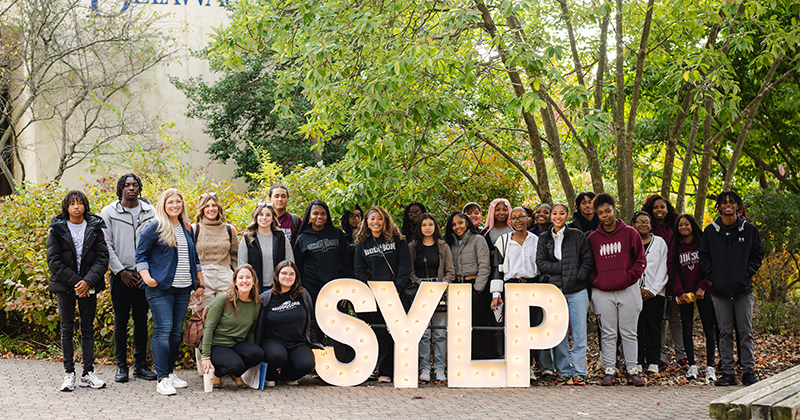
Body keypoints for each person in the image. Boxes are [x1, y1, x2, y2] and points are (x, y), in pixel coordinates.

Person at [136, 188, 205, 396]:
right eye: (170, 202)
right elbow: (141, 255)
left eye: (178, 201)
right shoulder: (155, 226)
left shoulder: (186, 227)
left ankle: (170, 372)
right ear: (163, 205)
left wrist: (199, 282)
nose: (175, 205)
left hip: (183, 287)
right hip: (161, 288)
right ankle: (162, 378)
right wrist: (148, 279)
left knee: (176, 332)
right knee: (163, 329)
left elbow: (194, 257)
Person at [699, 191, 763, 387]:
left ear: (738, 206)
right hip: (719, 292)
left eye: (732, 202)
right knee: (724, 332)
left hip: (743, 290)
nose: (728, 205)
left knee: (745, 331)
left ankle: (748, 372)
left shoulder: (749, 230)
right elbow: (704, 256)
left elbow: (758, 255)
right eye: (724, 202)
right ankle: (727, 373)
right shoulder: (711, 231)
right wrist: (714, 277)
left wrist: (746, 274)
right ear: (718, 206)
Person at [48, 190, 109, 392]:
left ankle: (88, 374)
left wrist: (88, 282)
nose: (76, 207)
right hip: (66, 286)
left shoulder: (95, 227)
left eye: (80, 203)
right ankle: (69, 374)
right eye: (72, 203)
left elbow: (102, 258)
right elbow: (54, 261)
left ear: (85, 206)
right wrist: (77, 282)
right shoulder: (57, 229)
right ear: (66, 207)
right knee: (67, 328)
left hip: (89, 286)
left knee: (87, 329)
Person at [100, 173, 157, 383]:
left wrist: (145, 273)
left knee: (141, 321)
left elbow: (156, 244)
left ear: (139, 188)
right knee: (121, 321)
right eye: (126, 185)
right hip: (120, 276)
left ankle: (141, 365)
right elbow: (106, 245)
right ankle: (121, 366)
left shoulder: (151, 212)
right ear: (120, 189)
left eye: (134, 185)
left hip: (144, 276)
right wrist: (120, 272)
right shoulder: (109, 212)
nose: (131, 188)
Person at [587, 193, 647, 387]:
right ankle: (610, 370)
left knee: (629, 332)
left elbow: (640, 261)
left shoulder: (630, 233)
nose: (605, 215)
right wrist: (597, 281)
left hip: (628, 290)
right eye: (600, 213)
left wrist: (628, 278)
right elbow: (588, 265)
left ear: (614, 209)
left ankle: (632, 370)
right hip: (602, 292)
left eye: (608, 211)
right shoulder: (593, 238)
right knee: (608, 333)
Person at [536, 203, 594, 386]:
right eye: (555, 213)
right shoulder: (544, 238)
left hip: (577, 290)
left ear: (567, 215)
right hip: (555, 290)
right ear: (551, 216)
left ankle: (579, 372)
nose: (558, 216)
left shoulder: (577, 235)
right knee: (558, 333)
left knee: (579, 333)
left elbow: (587, 260)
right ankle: (563, 370)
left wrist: (577, 275)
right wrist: (567, 268)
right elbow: (541, 263)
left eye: (562, 213)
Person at [354, 205, 412, 383]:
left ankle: (400, 369)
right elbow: (359, 271)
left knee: (397, 332)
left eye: (379, 218)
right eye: (372, 219)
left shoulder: (398, 240)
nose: (376, 222)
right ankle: (383, 370)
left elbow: (405, 266)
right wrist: (371, 291)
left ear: (385, 220)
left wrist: (397, 288)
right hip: (374, 296)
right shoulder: (362, 244)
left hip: (396, 293)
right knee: (379, 332)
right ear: (367, 222)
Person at [490, 207, 540, 376]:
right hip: (510, 287)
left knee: (531, 327)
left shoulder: (536, 240)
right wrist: (496, 294)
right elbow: (496, 269)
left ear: (528, 219)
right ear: (511, 221)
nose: (518, 221)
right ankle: (513, 365)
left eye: (522, 217)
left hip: (532, 286)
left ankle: (529, 366)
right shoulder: (503, 242)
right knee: (512, 327)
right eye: (515, 218)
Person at [255, 261, 322, 385]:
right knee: (277, 356)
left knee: (307, 365)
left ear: (296, 277)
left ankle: (286, 376)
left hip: (296, 342)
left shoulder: (303, 295)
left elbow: (310, 320)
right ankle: (270, 375)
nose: (288, 277)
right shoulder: (265, 298)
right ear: (277, 275)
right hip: (273, 341)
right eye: (284, 273)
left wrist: (314, 341)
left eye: (292, 274)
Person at [642, 194, 687, 369]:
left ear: (668, 209)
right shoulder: (646, 229)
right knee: (659, 319)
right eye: (656, 207)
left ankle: (681, 354)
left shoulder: (676, 226)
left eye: (662, 207)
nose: (659, 210)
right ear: (650, 210)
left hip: (676, 276)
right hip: (655, 280)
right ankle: (661, 355)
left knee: (676, 317)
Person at [409, 213, 455, 383]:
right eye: (424, 225)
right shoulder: (413, 246)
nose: (427, 228)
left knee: (440, 332)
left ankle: (440, 368)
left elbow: (450, 271)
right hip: (420, 291)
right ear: (419, 228)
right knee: (424, 333)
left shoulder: (443, 246)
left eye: (431, 224)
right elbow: (410, 271)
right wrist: (421, 284)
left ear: (435, 226)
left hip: (440, 291)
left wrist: (441, 286)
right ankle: (425, 369)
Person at [201, 264, 264, 388]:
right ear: (235, 282)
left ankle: (236, 373)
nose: (244, 281)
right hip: (217, 344)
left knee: (258, 354)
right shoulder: (224, 298)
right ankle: (218, 374)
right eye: (240, 278)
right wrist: (205, 356)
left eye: (248, 277)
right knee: (236, 365)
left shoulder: (256, 303)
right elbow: (209, 327)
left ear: (254, 282)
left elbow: (250, 330)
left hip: (236, 344)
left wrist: (251, 349)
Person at [673, 214, 717, 383]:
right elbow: (673, 269)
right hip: (685, 294)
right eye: (680, 225)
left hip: (703, 292)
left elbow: (711, 265)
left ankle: (710, 367)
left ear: (693, 225)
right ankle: (692, 365)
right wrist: (679, 291)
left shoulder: (702, 241)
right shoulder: (675, 245)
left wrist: (704, 286)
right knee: (687, 328)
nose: (683, 227)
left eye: (686, 224)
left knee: (709, 327)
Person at [445, 211, 491, 360]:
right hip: (456, 286)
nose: (457, 227)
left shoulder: (478, 240)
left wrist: (477, 289)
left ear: (467, 223)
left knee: (475, 325)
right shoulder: (449, 243)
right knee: (457, 326)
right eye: (453, 224)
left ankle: (475, 358)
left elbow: (485, 266)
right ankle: (459, 359)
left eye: (460, 223)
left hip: (473, 285)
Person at [630, 211, 668, 375]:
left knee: (653, 327)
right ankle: (637, 360)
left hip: (655, 294)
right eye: (639, 221)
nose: (643, 224)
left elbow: (663, 269)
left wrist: (652, 291)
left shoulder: (660, 243)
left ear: (651, 225)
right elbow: (626, 267)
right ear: (633, 224)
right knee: (635, 328)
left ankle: (653, 361)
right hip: (632, 293)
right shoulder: (628, 241)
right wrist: (636, 289)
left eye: (646, 222)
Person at [293, 200, 352, 302]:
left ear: (327, 216)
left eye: (323, 213)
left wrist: (346, 286)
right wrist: (301, 288)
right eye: (315, 213)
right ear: (309, 216)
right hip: (312, 287)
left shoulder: (337, 234)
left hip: (337, 285)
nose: (319, 216)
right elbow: (298, 266)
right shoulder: (302, 238)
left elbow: (346, 260)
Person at [481, 198, 513, 359]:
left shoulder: (515, 231)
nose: (501, 212)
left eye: (505, 209)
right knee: (495, 319)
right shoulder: (485, 233)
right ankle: (497, 355)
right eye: (498, 209)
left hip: (512, 279)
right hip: (492, 282)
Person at [193, 192, 238, 307]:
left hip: (225, 275)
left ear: (219, 208)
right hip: (203, 277)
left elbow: (235, 256)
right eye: (207, 206)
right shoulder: (195, 229)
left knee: (227, 315)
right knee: (202, 317)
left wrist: (235, 277)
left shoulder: (229, 229)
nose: (211, 209)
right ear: (202, 209)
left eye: (214, 205)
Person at [238, 202, 294, 292]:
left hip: (278, 287)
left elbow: (290, 262)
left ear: (272, 218)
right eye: (261, 214)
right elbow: (242, 266)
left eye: (268, 215)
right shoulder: (248, 239)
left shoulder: (281, 237)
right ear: (256, 217)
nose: (264, 218)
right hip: (255, 289)